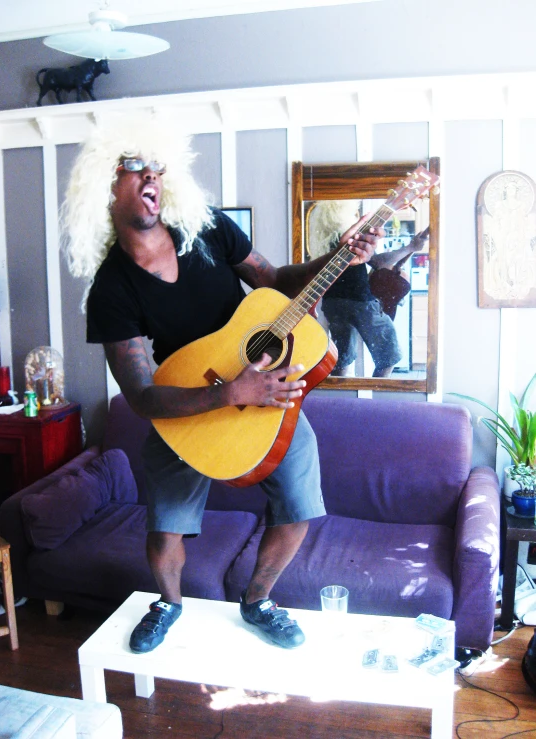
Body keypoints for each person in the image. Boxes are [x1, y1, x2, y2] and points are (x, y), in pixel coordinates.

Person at [61, 117, 383, 654]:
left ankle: (257, 601)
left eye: (157, 168)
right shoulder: (111, 290)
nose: (150, 179)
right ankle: (168, 603)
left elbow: (276, 282)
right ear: (103, 187)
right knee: (166, 527)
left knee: (301, 506)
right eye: (133, 168)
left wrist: (339, 256)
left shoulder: (207, 228)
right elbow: (141, 394)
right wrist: (227, 393)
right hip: (185, 404)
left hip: (268, 398)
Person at [312, 200, 427, 378]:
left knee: (342, 358)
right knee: (389, 355)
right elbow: (379, 262)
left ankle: (342, 399)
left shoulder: (324, 239)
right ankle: (375, 398)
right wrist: (410, 247)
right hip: (359, 303)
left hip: (332, 303)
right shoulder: (349, 236)